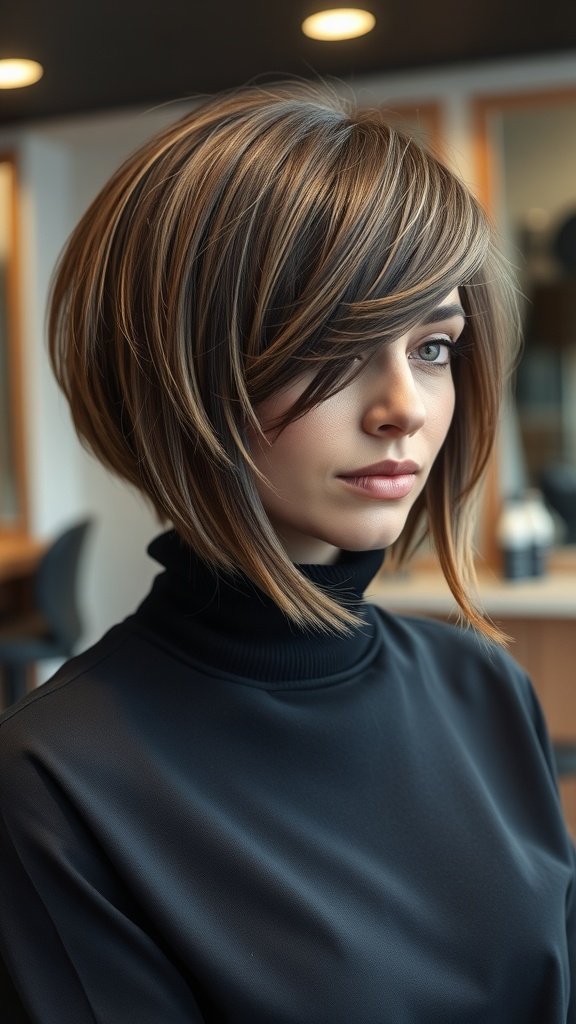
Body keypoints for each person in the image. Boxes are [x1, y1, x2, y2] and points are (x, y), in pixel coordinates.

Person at [0, 81, 573, 1024]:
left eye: (433, 347)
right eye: (338, 348)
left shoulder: (483, 689)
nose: (406, 408)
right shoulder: (57, 787)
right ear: (182, 372)